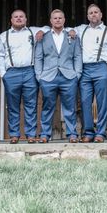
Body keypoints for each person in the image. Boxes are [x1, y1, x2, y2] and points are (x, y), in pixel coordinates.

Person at [0, 9, 49, 144]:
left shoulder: (32, 31)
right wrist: (4, 75)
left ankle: (31, 134)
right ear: (11, 20)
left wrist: (42, 31)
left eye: (21, 17)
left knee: (30, 105)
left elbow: (48, 28)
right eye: (16, 17)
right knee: (13, 106)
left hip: (29, 72)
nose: (19, 19)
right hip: (11, 73)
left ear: (25, 19)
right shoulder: (4, 36)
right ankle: (14, 134)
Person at [34, 9, 82, 143]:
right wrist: (39, 76)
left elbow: (77, 55)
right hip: (48, 77)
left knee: (70, 107)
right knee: (47, 107)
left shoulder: (72, 35)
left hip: (68, 77)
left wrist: (77, 74)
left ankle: (72, 134)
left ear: (64, 20)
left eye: (60, 18)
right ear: (50, 21)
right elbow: (38, 57)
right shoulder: (43, 36)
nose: (57, 20)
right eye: (55, 18)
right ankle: (44, 135)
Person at [74, 4, 107, 143]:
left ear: (101, 15)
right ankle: (88, 132)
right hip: (85, 69)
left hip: (101, 67)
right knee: (85, 102)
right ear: (87, 16)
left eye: (96, 12)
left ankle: (100, 133)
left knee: (102, 103)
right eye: (91, 13)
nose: (93, 14)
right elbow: (62, 29)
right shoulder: (81, 29)